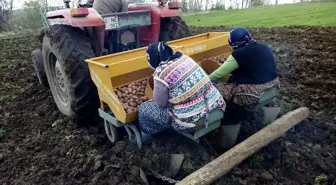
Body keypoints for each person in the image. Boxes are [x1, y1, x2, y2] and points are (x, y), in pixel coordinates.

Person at [133, 42, 226, 144]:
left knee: (144, 110)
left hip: (192, 121)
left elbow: (161, 104)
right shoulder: (186, 58)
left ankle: (146, 138)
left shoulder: (161, 73)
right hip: (218, 107)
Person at [209, 27, 280, 106]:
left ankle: (232, 112)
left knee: (216, 88)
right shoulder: (263, 46)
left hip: (255, 93)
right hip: (274, 85)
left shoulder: (238, 54)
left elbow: (217, 74)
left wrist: (205, 82)